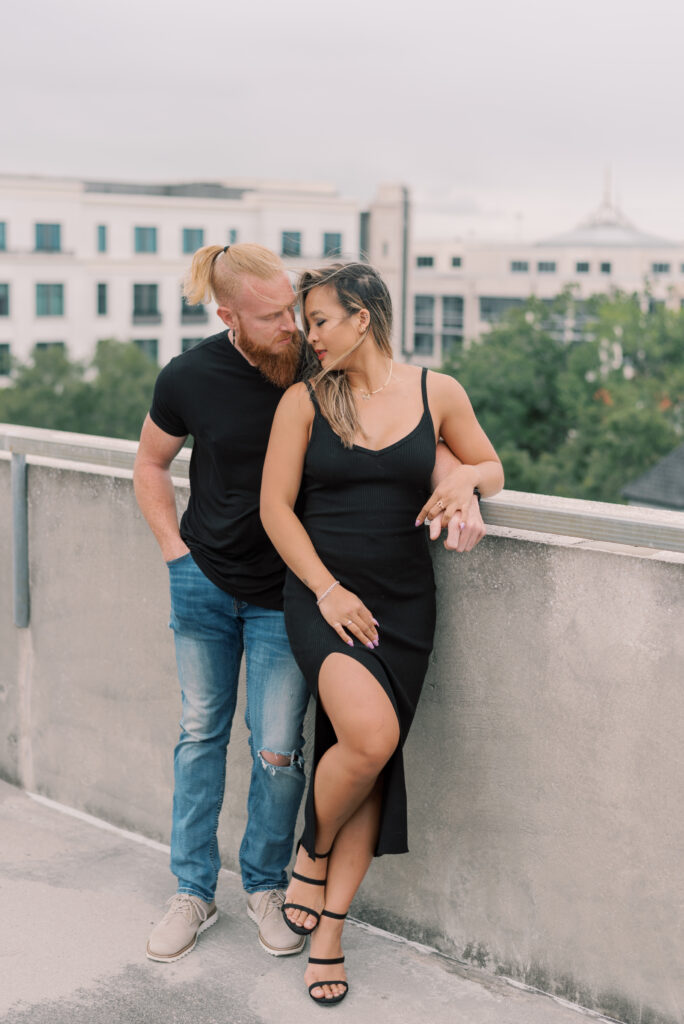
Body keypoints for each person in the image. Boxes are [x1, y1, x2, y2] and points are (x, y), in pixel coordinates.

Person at [133, 244, 486, 966]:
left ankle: (268, 884)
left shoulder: (316, 363)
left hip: (288, 597)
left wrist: (464, 480)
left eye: (303, 316)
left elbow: (411, 431)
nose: (295, 330)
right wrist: (175, 552)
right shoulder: (193, 376)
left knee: (279, 752)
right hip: (214, 580)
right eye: (275, 318)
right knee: (201, 732)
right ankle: (193, 891)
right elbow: (151, 463)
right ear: (229, 315)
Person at [260, 262, 503, 1005]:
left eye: (322, 321)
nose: (311, 336)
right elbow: (275, 511)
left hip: (404, 604)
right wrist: (326, 590)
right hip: (324, 596)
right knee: (368, 740)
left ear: (363, 317)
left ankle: (329, 931)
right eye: (307, 323)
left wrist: (463, 481)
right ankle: (313, 849)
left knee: (370, 763)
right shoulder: (303, 403)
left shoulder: (438, 391)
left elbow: (490, 463)